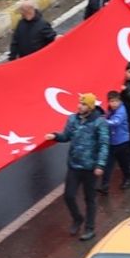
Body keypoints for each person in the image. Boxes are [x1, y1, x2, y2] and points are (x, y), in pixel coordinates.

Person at [45, 93, 109, 240]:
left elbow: (104, 144)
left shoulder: (99, 122)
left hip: (90, 167)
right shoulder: (72, 119)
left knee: (90, 199)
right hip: (74, 165)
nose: (80, 106)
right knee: (69, 196)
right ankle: (77, 218)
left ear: (91, 107)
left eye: (84, 104)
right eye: (80, 103)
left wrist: (100, 164)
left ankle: (90, 228)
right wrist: (55, 136)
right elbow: (66, 136)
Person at [99, 90, 130, 193]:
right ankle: (104, 185)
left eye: (115, 101)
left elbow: (116, 122)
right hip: (112, 142)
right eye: (111, 101)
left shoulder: (121, 111)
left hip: (122, 142)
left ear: (119, 101)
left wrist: (103, 121)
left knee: (123, 163)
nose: (114, 104)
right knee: (108, 164)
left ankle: (128, 178)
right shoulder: (110, 110)